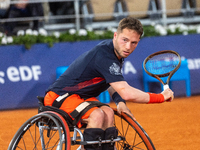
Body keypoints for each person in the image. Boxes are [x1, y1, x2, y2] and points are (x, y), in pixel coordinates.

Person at [44, 16, 174, 150]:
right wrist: (161, 97)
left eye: (134, 43)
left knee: (108, 112)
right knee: (97, 115)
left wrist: (120, 103)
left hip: (80, 98)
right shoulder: (105, 56)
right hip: (58, 97)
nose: (128, 47)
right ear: (116, 35)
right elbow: (127, 92)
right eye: (125, 40)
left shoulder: (115, 53)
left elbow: (112, 85)